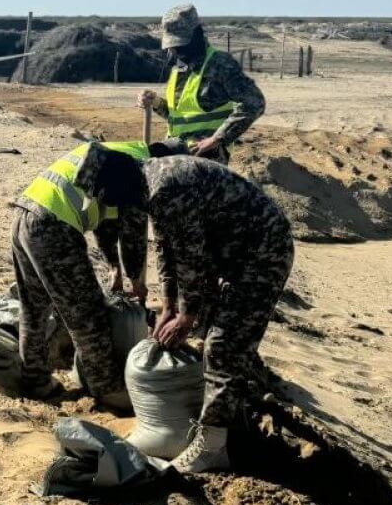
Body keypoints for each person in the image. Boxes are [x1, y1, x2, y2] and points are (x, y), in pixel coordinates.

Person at [75, 151, 294, 473]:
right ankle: (236, 406)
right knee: (210, 333)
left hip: (262, 255)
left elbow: (191, 260)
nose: (117, 209)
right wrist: (167, 306)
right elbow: (166, 249)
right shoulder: (152, 181)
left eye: (112, 200)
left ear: (119, 186)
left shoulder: (166, 189)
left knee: (222, 345)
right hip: (230, 254)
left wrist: (185, 316)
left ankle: (213, 446)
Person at [12, 140, 174, 408]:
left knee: (33, 306)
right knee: (88, 316)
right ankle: (108, 389)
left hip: (25, 212)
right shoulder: (140, 171)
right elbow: (132, 232)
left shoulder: (119, 152)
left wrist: (113, 267)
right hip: (54, 225)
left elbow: (104, 220)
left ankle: (35, 379)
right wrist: (136, 280)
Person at [136, 4, 265, 164]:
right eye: (173, 45)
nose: (175, 50)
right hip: (177, 150)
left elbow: (254, 103)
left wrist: (217, 139)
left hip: (205, 158)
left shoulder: (219, 64)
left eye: (180, 44)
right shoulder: (180, 67)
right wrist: (155, 103)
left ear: (196, 36)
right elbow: (178, 117)